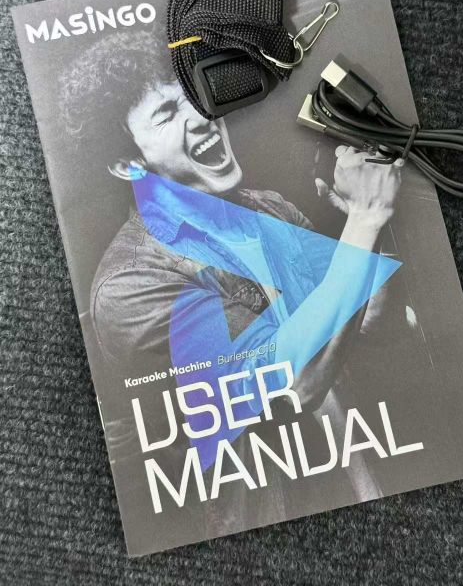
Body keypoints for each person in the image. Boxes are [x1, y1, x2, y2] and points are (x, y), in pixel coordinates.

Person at [59, 30, 403, 539]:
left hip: (363, 484)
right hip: (273, 527)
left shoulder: (269, 208)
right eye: (166, 114)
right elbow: (294, 386)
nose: (202, 116)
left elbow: (367, 319)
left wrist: (359, 227)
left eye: (194, 95)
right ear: (128, 165)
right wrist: (364, 221)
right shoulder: (130, 286)